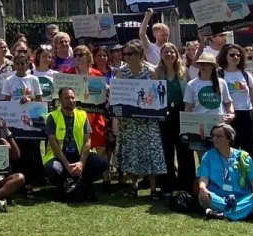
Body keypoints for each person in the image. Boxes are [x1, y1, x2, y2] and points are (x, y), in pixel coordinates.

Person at [115, 40, 166, 198]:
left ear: (139, 54)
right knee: (132, 152)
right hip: (129, 121)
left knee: (151, 152)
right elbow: (118, 96)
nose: (126, 56)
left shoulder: (150, 71)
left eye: (130, 54)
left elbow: (157, 94)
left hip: (147, 120)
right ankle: (134, 186)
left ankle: (153, 189)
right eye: (125, 54)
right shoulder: (121, 72)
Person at [43, 87, 109, 201]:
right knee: (53, 170)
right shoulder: (52, 117)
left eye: (73, 97)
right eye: (67, 98)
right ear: (60, 100)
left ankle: (83, 183)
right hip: (59, 156)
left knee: (102, 163)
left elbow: (88, 141)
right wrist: (67, 165)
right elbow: (53, 143)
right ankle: (63, 186)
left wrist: (81, 163)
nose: (71, 100)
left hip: (79, 155)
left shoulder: (82, 115)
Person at [197, 123, 253, 222]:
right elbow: (203, 178)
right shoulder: (208, 156)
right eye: (213, 136)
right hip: (219, 198)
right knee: (205, 196)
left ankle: (222, 215)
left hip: (242, 198)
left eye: (219, 136)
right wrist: (202, 188)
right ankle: (245, 214)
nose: (215, 138)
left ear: (229, 138)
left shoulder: (243, 157)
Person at [63, 45, 110, 181]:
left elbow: (101, 96)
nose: (77, 57)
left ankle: (106, 179)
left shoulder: (97, 74)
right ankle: (79, 176)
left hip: (95, 115)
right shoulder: (69, 73)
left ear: (88, 57)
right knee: (80, 147)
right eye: (75, 55)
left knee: (100, 146)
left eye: (81, 55)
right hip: (77, 116)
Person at [154, 42, 194, 195]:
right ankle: (167, 185)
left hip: (181, 112)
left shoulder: (184, 71)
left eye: (172, 52)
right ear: (161, 55)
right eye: (166, 52)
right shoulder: (156, 72)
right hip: (164, 113)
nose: (169, 55)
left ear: (176, 54)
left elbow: (189, 94)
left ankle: (186, 184)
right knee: (166, 150)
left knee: (184, 149)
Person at [2, 52, 43, 190]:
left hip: (29, 120)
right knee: (16, 151)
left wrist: (30, 99)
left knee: (29, 150)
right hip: (14, 121)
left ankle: (30, 181)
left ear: (27, 64)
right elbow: (6, 102)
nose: (20, 66)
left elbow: (39, 100)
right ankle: (17, 181)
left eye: (23, 63)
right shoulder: (9, 81)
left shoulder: (33, 80)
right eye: (18, 64)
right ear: (14, 65)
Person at [185, 50, 235, 152]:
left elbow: (228, 103)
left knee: (220, 159)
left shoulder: (221, 83)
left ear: (212, 66)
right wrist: (188, 127)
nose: (203, 66)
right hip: (200, 128)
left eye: (207, 64)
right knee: (203, 162)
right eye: (201, 63)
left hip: (219, 127)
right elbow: (188, 108)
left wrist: (232, 114)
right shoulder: (192, 84)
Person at [217, 44, 253, 160]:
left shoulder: (246, 74)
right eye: (232, 54)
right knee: (230, 150)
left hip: (247, 115)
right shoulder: (219, 74)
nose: (235, 57)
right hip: (229, 117)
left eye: (238, 55)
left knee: (250, 151)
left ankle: (251, 176)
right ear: (225, 56)